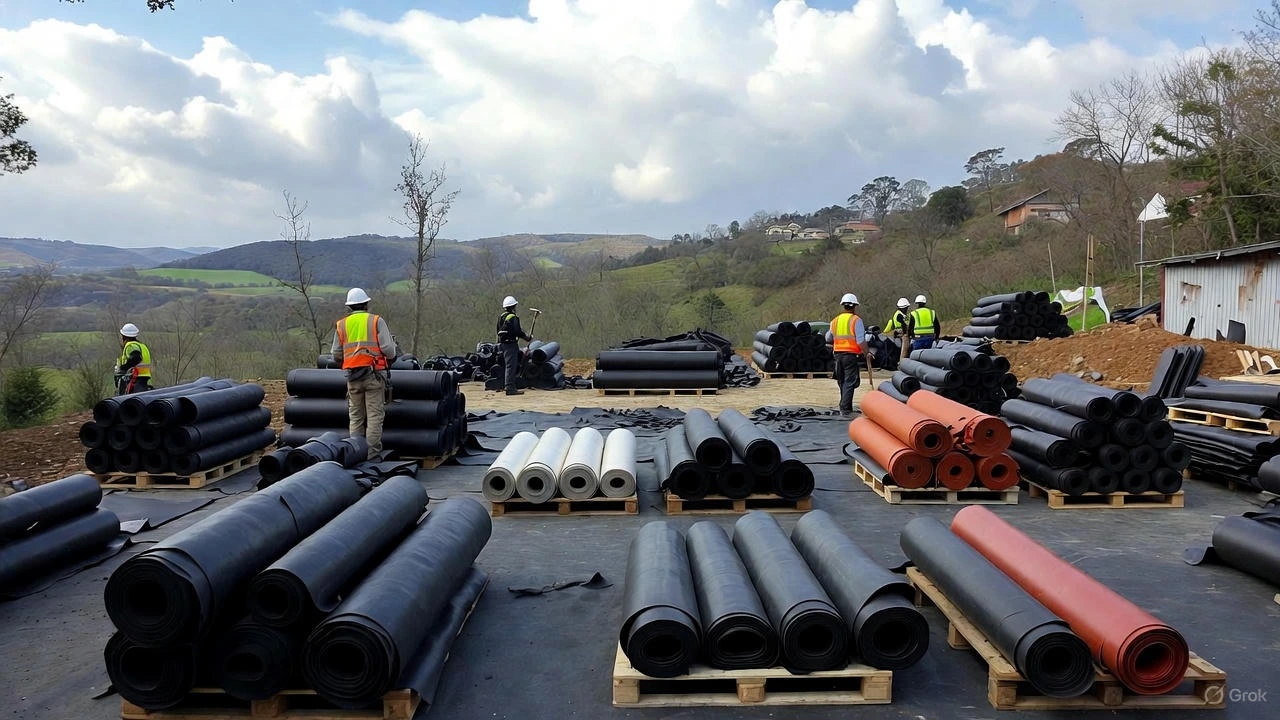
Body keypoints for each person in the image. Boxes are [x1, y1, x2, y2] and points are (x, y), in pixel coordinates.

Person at [331, 288, 398, 458]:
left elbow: (336, 354)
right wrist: (391, 358)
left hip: (353, 376)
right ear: (366, 304)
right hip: (373, 375)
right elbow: (388, 349)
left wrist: (348, 363)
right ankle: (372, 455)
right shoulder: (376, 321)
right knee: (374, 415)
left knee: (355, 416)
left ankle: (355, 453)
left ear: (349, 307)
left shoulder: (342, 324)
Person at [829, 293, 873, 416]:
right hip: (850, 355)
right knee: (850, 381)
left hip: (837, 355)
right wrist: (867, 352)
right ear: (854, 306)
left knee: (842, 381)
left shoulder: (835, 321)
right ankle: (845, 408)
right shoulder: (856, 320)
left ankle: (844, 405)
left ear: (843, 306)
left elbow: (829, 337)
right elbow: (860, 340)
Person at [496, 295, 533, 396]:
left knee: (508, 365)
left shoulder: (501, 317)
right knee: (511, 366)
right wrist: (527, 337)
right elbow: (517, 331)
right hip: (511, 344)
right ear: (513, 306)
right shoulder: (513, 317)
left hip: (503, 344)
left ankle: (508, 385)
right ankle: (510, 388)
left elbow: (498, 330)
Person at [114, 323, 152, 395]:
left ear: (124, 337)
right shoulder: (142, 346)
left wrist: (123, 368)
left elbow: (136, 358)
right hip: (145, 378)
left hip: (136, 379)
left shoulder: (130, 345)